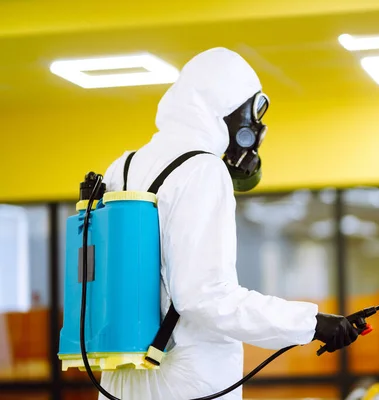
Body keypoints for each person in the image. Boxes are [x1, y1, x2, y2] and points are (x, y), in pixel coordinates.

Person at [99, 47, 359, 400]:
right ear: (222, 106)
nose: (254, 126)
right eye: (251, 111)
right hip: (185, 378)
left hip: (119, 377)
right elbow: (204, 296)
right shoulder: (203, 170)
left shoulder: (123, 165)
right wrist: (311, 323)